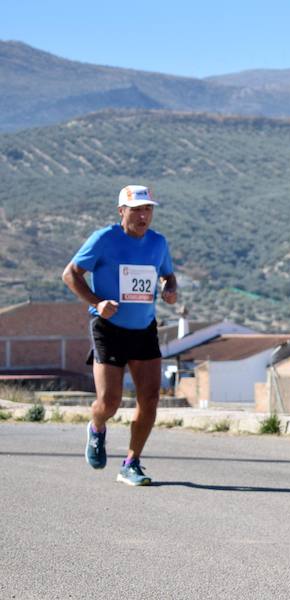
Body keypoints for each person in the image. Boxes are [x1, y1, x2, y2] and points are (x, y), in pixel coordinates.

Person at [62, 185, 177, 486]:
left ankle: (131, 462)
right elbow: (70, 274)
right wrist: (97, 302)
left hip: (144, 329)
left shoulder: (158, 242)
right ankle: (97, 427)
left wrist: (170, 287)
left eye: (148, 209)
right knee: (109, 402)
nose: (143, 215)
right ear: (121, 211)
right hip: (108, 328)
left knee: (150, 398)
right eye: (137, 209)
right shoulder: (104, 239)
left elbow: (168, 273)